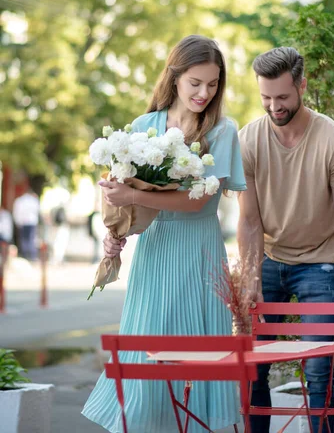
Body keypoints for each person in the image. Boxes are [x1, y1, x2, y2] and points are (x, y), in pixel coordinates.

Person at [82, 35, 247, 433]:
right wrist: (116, 232)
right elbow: (130, 203)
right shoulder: (143, 128)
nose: (204, 93)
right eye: (196, 83)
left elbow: (195, 202)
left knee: (199, 356)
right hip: (156, 251)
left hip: (200, 249)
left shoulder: (222, 130)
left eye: (213, 84)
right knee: (146, 350)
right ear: (175, 77)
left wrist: (135, 193)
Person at [237, 47, 334, 433]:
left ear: (302, 86)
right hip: (271, 257)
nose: (274, 106)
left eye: (283, 97)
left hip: (320, 261)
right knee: (254, 363)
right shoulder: (249, 141)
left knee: (321, 367)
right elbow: (250, 220)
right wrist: (251, 278)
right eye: (266, 97)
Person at [12, 188, 40, 260]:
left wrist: (17, 221)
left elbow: (16, 212)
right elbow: (37, 211)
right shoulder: (34, 200)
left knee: (24, 239)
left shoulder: (19, 200)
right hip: (31, 222)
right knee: (31, 239)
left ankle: (25, 255)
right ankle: (31, 256)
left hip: (23, 222)